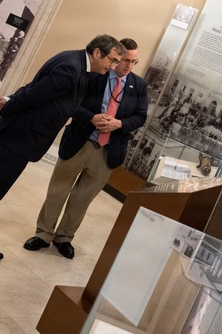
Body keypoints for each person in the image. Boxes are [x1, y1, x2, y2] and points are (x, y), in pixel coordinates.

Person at [0, 34, 123, 275]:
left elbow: (40, 91)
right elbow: (34, 95)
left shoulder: (77, 63)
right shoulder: (70, 67)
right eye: (112, 60)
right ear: (98, 52)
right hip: (19, 135)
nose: (113, 66)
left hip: (23, 137)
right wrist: (7, 106)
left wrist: (8, 99)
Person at [24, 38, 148, 258]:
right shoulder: (93, 75)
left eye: (134, 62)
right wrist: (91, 118)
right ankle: (43, 234)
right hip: (80, 141)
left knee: (83, 198)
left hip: (108, 150)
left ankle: (64, 238)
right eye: (125, 60)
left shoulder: (138, 86)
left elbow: (140, 117)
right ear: (116, 57)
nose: (129, 65)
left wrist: (119, 124)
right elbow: (73, 103)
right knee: (58, 191)